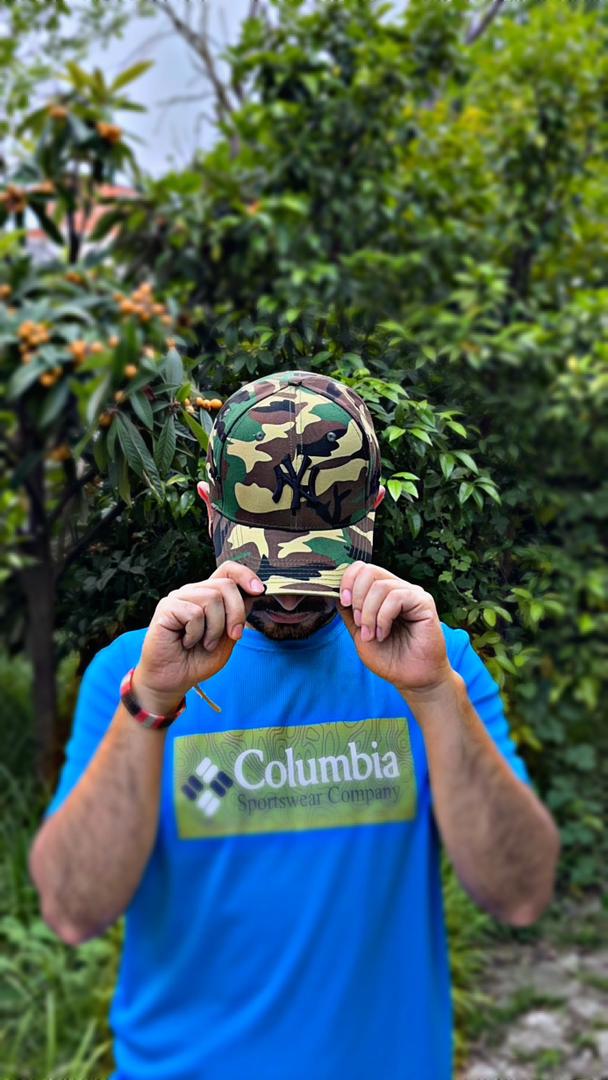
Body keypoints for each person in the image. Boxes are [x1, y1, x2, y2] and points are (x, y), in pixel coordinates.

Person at [29, 370, 560, 1080]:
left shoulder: (439, 667)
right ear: (209, 509)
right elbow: (72, 911)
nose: (285, 600)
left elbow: (521, 893)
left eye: (316, 566)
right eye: (265, 561)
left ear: (374, 511)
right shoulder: (132, 675)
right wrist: (151, 704)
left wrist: (434, 694)